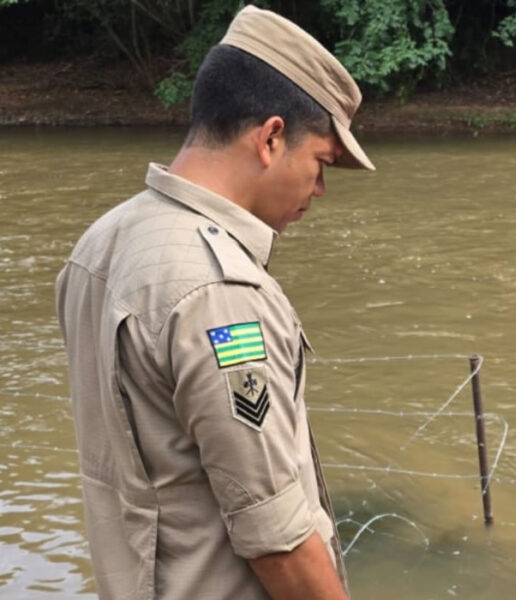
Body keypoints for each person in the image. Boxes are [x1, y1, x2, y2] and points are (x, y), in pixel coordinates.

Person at [55, 6, 374, 600]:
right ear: (271, 138)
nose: (320, 189)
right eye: (321, 164)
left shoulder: (100, 242)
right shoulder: (220, 292)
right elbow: (276, 538)